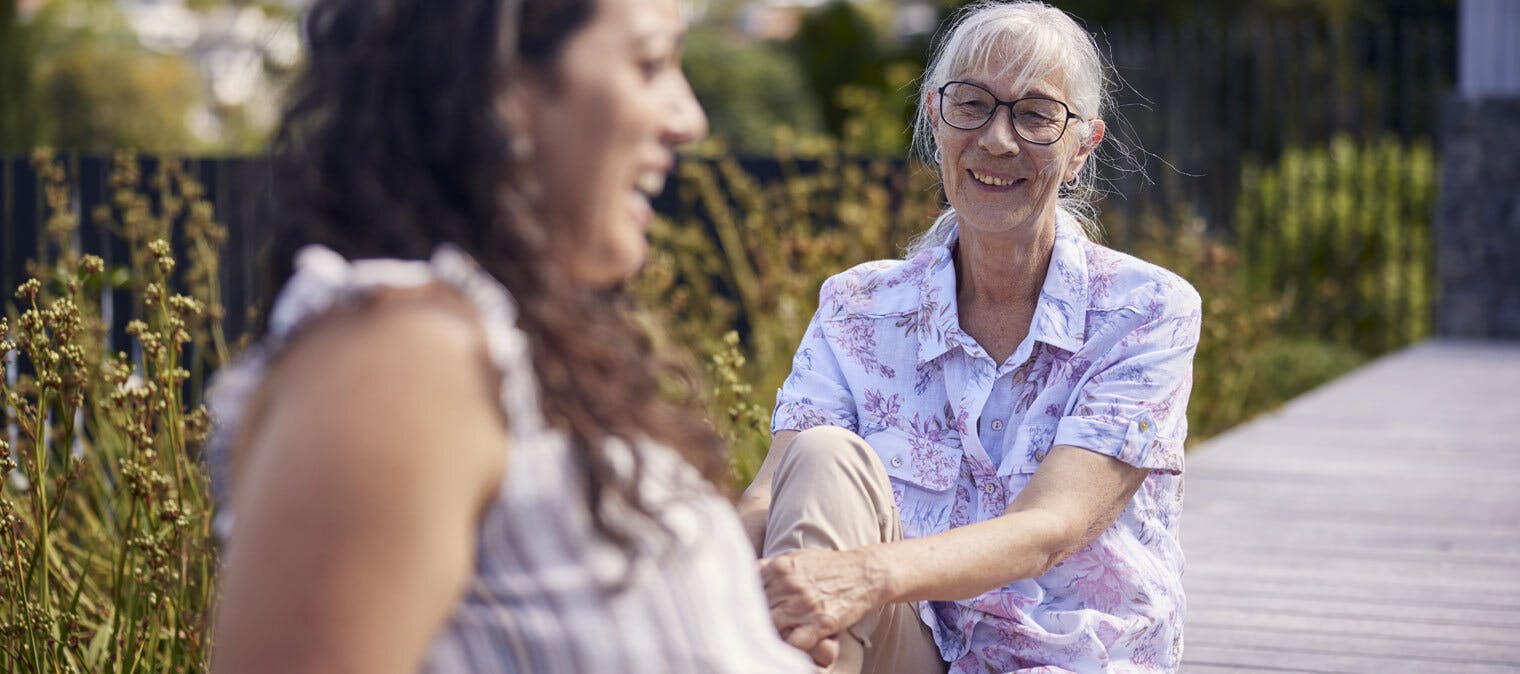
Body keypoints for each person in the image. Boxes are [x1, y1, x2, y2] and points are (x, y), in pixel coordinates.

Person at [206, 0, 813, 672]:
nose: (688, 119)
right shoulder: (401, 363)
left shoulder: (518, 349)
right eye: (650, 64)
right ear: (501, 86)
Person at [737, 1, 1202, 672]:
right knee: (820, 458)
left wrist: (865, 575)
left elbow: (1050, 529)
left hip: (1062, 659)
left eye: (1036, 114)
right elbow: (769, 494)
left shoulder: (1145, 311)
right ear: (935, 116)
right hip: (911, 648)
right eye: (973, 104)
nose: (998, 139)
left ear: (1081, 148)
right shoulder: (859, 305)